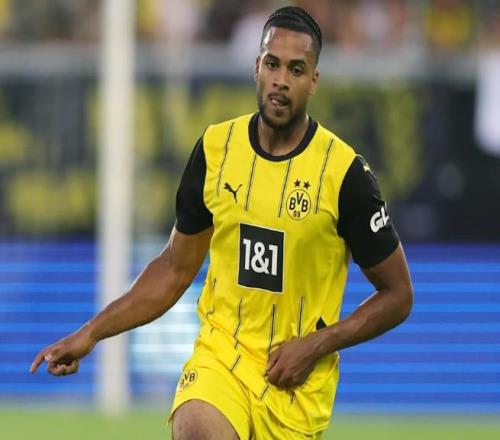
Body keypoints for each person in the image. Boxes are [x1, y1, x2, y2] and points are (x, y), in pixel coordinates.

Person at [30, 6, 413, 439]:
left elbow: (398, 294)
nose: (281, 80)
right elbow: (175, 268)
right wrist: (91, 333)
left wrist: (315, 346)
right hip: (220, 360)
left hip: (295, 391)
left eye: (296, 69)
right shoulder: (216, 149)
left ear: (314, 80)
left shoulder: (344, 174)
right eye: (272, 64)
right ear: (256, 67)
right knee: (197, 429)